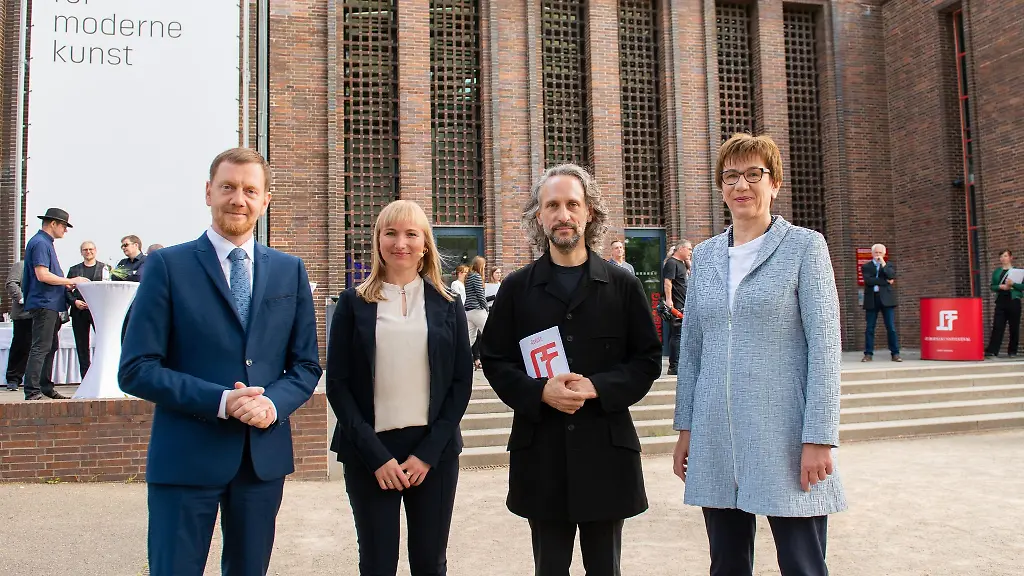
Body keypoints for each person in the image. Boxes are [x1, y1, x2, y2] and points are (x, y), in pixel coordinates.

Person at [119, 148, 322, 576]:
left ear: (266, 200)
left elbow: (305, 366)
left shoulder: (290, 270)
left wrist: (272, 404)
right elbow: (137, 368)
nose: (238, 199)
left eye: (250, 190)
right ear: (208, 192)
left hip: (260, 461)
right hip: (185, 458)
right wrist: (222, 400)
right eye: (228, 187)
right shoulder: (166, 266)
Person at [673, 133, 846, 576]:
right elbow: (692, 349)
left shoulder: (805, 247)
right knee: (726, 563)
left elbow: (824, 347)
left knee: (801, 563)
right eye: (731, 176)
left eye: (754, 174)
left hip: (785, 431)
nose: (741, 185)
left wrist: (819, 437)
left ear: (775, 183)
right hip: (715, 432)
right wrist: (686, 429)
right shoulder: (707, 256)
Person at [480, 164, 662, 576]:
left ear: (590, 213)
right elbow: (495, 360)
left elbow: (647, 360)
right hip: (541, 453)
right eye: (553, 206)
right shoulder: (516, 288)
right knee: (549, 569)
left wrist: (597, 387)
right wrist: (539, 392)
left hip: (606, 453)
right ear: (539, 217)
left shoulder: (622, 285)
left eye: (572, 205)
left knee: (605, 569)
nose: (563, 215)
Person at [327, 199, 473, 576]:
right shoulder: (352, 304)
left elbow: (460, 382)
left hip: (433, 452)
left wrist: (427, 453)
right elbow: (339, 385)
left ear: (425, 244)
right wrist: (376, 457)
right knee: (377, 563)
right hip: (369, 452)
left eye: (411, 233)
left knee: (430, 561)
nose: (400, 242)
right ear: (377, 241)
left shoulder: (447, 304)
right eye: (390, 233)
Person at [22, 208, 90, 401]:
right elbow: (42, 275)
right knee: (41, 346)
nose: (65, 231)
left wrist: (64, 283)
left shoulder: (43, 242)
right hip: (44, 303)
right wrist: (71, 280)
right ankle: (33, 390)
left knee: (49, 346)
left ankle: (44, 387)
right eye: (64, 226)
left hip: (48, 302)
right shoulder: (41, 243)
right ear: (53, 224)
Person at [66, 241, 105, 377]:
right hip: (79, 311)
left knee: (103, 342)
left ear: (96, 250)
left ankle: (101, 374)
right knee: (82, 345)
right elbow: (66, 290)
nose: (88, 252)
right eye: (85, 250)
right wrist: (74, 301)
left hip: (98, 312)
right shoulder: (74, 270)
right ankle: (86, 376)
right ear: (81, 252)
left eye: (90, 249)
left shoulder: (104, 268)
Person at [862, 243, 901, 362]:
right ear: (872, 253)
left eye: (880, 253)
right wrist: (886, 281)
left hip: (886, 300)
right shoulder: (867, 266)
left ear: (884, 254)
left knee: (891, 327)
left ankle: (895, 353)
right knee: (870, 328)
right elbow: (869, 281)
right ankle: (868, 353)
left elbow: (891, 275)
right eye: (876, 253)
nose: (877, 255)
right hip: (872, 299)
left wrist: (883, 264)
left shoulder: (888, 265)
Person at [985, 249, 1024, 358]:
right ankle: (992, 350)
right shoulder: (997, 272)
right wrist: (1000, 287)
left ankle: (1012, 351)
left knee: (1014, 327)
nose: (1003, 258)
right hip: (1001, 301)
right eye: (1001, 256)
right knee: (997, 326)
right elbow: (992, 286)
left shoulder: (1019, 271)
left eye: (1005, 256)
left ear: (1011, 257)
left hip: (1014, 300)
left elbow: (1022, 286)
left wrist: (1013, 284)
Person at [662, 240, 692, 375]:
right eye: (689, 249)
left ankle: (678, 363)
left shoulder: (682, 264)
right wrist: (669, 300)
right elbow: (668, 282)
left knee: (678, 335)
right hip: (676, 305)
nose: (691, 252)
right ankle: (674, 366)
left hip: (684, 304)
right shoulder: (671, 263)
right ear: (681, 249)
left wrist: (688, 264)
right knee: (677, 335)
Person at [5, 260, 32, 391]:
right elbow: (11, 283)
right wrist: (22, 299)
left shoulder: (48, 267)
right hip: (24, 314)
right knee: (20, 346)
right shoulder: (21, 265)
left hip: (44, 314)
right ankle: (13, 379)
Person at [464, 256, 488, 370]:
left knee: (469, 338)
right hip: (477, 310)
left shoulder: (468, 276)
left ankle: (460, 359)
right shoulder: (477, 276)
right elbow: (480, 295)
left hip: (468, 310)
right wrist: (486, 308)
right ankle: (493, 360)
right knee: (490, 334)